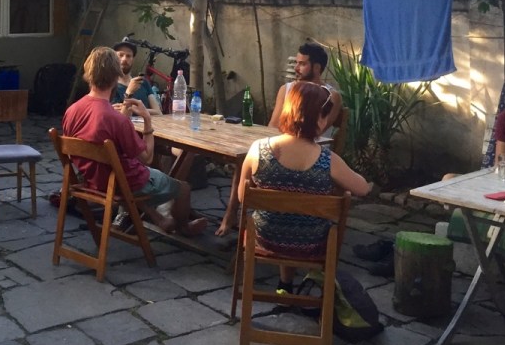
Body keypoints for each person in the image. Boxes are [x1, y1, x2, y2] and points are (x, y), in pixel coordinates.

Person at [236, 82, 370, 293]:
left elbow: (243, 196)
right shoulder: (328, 160)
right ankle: (297, 287)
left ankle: (285, 285)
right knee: (303, 218)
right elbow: (362, 189)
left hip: (265, 238)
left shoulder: (258, 149)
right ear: (319, 118)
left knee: (283, 214)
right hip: (312, 244)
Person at [62, 47, 207, 236]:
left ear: (88, 73)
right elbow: (146, 157)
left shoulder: (72, 110)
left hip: (90, 179)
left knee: (135, 170)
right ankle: (183, 229)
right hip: (122, 184)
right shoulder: (116, 119)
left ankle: (159, 218)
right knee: (183, 187)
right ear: (116, 77)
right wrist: (147, 120)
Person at [215, 42, 342, 236]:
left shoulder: (330, 95)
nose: (297, 68)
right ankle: (231, 214)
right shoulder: (288, 89)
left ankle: (265, 222)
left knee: (253, 166)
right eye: (296, 63)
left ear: (317, 67)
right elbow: (273, 127)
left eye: (302, 64)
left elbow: (314, 131)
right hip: (283, 145)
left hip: (311, 154)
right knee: (245, 160)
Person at [111, 39, 162, 113]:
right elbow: (116, 113)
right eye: (120, 55)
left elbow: (158, 112)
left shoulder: (143, 82)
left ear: (133, 59)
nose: (124, 59)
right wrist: (142, 110)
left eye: (128, 56)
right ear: (114, 58)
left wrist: (132, 109)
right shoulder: (109, 85)